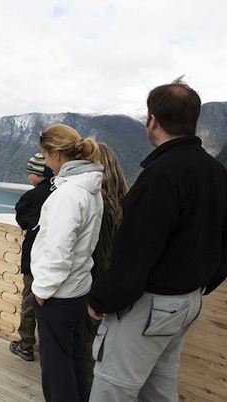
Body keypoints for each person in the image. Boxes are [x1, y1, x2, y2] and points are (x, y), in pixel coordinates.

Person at [88, 78, 227, 401]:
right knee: (159, 386)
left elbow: (134, 253)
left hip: (150, 306)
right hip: (189, 301)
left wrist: (101, 301)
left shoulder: (160, 174)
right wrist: (206, 282)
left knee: (113, 389)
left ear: (153, 120)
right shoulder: (216, 172)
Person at [30, 124, 104, 402]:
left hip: (57, 296)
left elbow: (59, 250)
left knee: (55, 368)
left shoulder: (67, 195)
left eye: (45, 156)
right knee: (75, 359)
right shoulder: (91, 189)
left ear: (57, 154)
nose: (46, 163)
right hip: (78, 289)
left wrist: (41, 292)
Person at [83, 143, 128, 391]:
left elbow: (98, 259)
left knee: (91, 353)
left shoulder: (98, 205)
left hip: (97, 293)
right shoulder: (125, 200)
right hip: (118, 290)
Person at [9, 153, 54, 362]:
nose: (28, 176)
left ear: (40, 175)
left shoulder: (31, 197)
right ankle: (50, 348)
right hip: (56, 261)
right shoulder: (62, 192)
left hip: (34, 259)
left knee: (30, 302)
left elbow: (22, 219)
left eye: (31, 172)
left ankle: (26, 345)